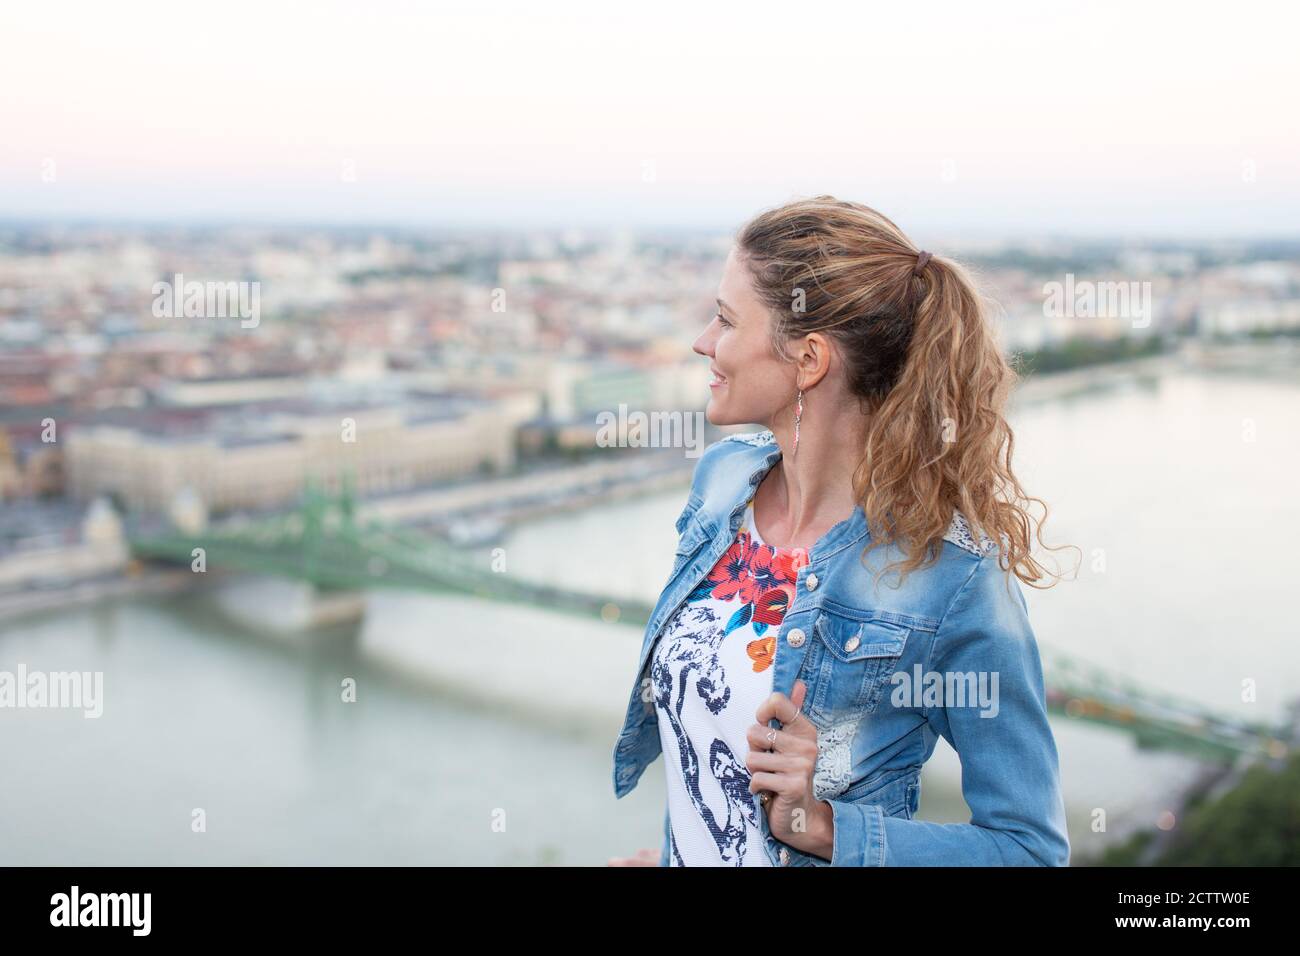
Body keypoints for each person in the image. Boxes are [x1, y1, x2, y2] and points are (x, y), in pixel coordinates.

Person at [608, 195, 1075, 867]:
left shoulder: (949, 576)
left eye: (725, 319)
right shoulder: (722, 483)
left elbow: (1029, 850)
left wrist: (823, 828)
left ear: (808, 360)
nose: (703, 341)